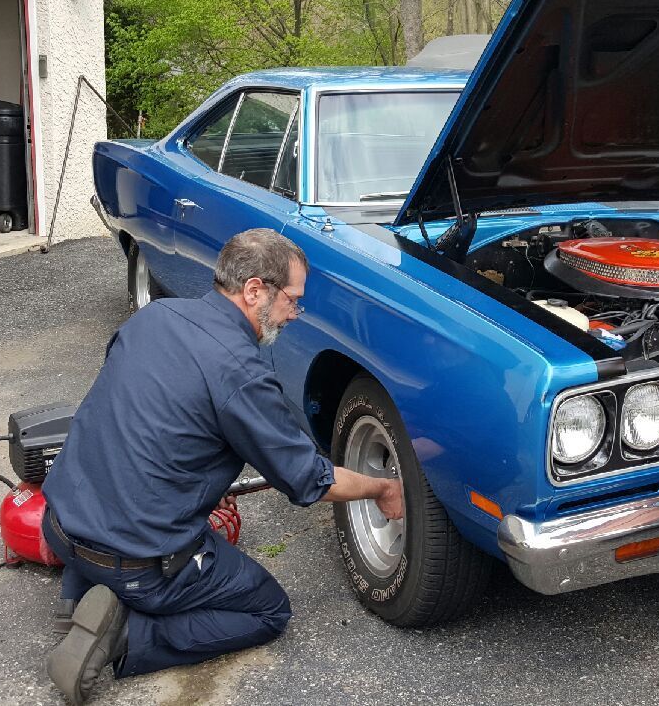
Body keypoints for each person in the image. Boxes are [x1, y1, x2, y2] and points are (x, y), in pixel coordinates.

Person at [39, 228, 404, 704]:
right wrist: (381, 489)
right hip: (138, 560)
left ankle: (80, 592)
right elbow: (309, 480)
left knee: (117, 515)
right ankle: (126, 633)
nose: (294, 314)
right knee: (268, 611)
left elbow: (132, 414)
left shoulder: (156, 316)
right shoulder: (242, 374)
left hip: (61, 522)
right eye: (293, 300)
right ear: (255, 290)